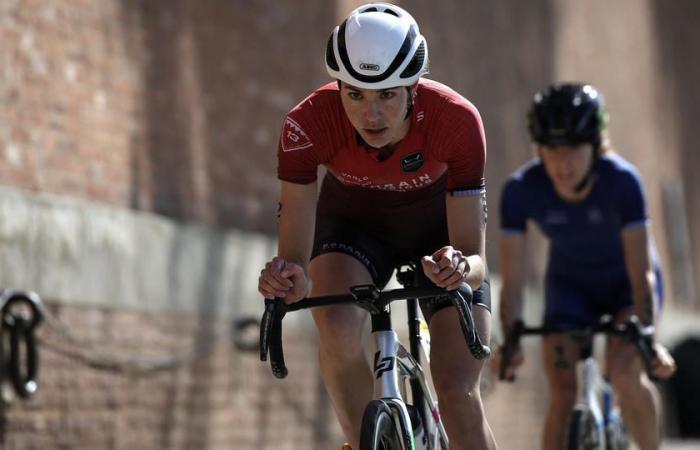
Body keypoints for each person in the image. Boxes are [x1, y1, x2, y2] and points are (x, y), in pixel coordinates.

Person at [257, 3, 498, 449]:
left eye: (387, 95)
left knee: (458, 390)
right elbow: (294, 256)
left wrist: (461, 267)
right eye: (355, 95)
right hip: (353, 228)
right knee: (335, 323)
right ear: (339, 88)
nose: (371, 114)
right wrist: (289, 275)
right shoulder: (307, 123)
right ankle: (360, 441)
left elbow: (476, 258)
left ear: (413, 88)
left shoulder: (456, 121)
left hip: (440, 237)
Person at [497, 83, 677, 450]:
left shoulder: (623, 182)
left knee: (626, 373)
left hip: (627, 285)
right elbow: (512, 283)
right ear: (539, 149)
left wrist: (648, 339)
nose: (562, 165)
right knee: (563, 393)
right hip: (570, 286)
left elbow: (641, 273)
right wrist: (510, 337)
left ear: (595, 146)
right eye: (551, 150)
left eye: (574, 150)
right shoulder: (520, 190)